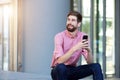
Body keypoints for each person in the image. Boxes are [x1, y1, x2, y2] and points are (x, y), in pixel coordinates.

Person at [50, 11, 103, 80]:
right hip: (57, 70)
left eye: (73, 20)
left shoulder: (83, 36)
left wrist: (89, 51)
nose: (70, 22)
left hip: (72, 70)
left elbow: (90, 62)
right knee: (61, 67)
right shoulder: (59, 37)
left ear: (78, 24)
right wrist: (74, 48)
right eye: (68, 20)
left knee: (96, 66)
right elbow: (60, 61)